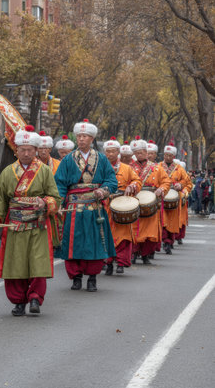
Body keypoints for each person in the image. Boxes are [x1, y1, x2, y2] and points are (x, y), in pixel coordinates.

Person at [0, 126, 61, 316]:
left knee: (37, 263)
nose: (26, 153)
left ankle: (35, 298)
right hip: (15, 225)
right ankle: (18, 301)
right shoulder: (8, 172)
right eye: (22, 149)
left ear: (35, 150)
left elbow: (55, 198)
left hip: (38, 225)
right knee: (15, 264)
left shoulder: (44, 171)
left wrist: (45, 202)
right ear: (16, 149)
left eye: (30, 150)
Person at [55, 119, 118, 292]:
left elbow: (111, 180)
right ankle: (76, 277)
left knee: (94, 242)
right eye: (79, 136)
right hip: (73, 208)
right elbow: (59, 184)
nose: (82, 139)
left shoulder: (102, 159)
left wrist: (104, 191)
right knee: (72, 242)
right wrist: (59, 202)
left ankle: (92, 277)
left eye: (85, 136)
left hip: (94, 208)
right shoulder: (68, 160)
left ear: (92, 139)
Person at [103, 137, 142, 275]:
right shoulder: (100, 167)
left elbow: (137, 181)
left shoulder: (126, 168)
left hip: (122, 205)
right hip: (105, 205)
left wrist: (132, 186)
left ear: (118, 152)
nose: (110, 154)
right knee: (106, 234)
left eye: (113, 151)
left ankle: (121, 262)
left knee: (123, 236)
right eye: (108, 151)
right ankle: (108, 263)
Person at [130, 137, 170, 264]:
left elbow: (166, 182)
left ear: (146, 153)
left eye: (141, 152)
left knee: (150, 230)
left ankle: (146, 255)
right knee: (134, 228)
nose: (139, 154)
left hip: (151, 202)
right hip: (135, 201)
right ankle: (134, 253)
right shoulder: (129, 168)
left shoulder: (156, 168)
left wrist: (161, 190)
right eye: (136, 153)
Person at [159, 144, 192, 253]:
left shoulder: (179, 168)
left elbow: (187, 182)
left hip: (175, 200)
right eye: (166, 155)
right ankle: (164, 240)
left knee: (172, 222)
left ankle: (169, 243)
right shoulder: (158, 166)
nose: (167, 157)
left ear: (173, 156)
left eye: (170, 155)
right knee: (162, 220)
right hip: (162, 199)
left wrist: (181, 186)